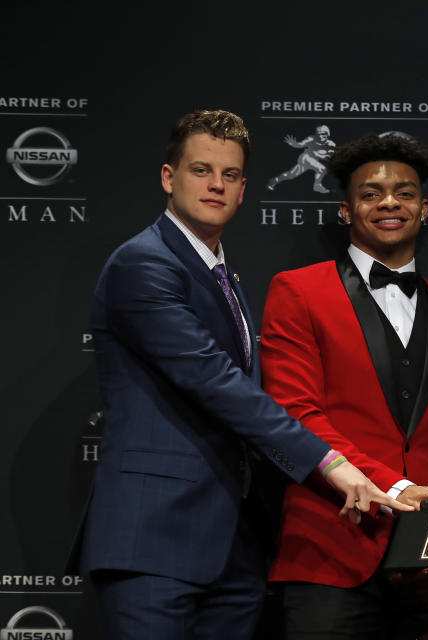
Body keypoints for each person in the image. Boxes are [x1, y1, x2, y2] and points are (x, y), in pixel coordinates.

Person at [69, 110, 407, 639]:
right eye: (201, 170)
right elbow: (216, 383)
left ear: (244, 189)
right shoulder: (144, 264)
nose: (215, 185)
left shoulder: (223, 273)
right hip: (154, 539)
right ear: (168, 177)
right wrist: (331, 463)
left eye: (229, 175)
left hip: (233, 543)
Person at [259, 133, 428, 639]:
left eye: (405, 193)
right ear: (346, 210)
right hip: (329, 550)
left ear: (424, 208)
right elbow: (295, 415)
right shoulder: (297, 291)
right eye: (371, 193)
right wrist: (397, 485)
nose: (390, 202)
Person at [266, 124, 336, 192]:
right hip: (305, 158)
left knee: (291, 175)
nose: (320, 136)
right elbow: (300, 144)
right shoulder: (311, 139)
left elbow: (329, 157)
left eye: (323, 134)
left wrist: (319, 155)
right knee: (322, 169)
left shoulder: (331, 144)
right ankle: (317, 186)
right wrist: (294, 144)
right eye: (319, 134)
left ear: (327, 134)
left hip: (313, 160)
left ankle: (275, 180)